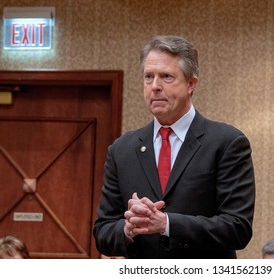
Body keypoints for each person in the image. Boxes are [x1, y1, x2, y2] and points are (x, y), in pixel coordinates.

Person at [93, 35, 256, 258]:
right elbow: (102, 232)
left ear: (191, 84)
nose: (155, 86)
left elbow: (237, 228)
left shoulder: (227, 143)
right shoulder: (121, 150)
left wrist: (166, 223)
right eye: (148, 77)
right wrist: (128, 228)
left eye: (166, 77)